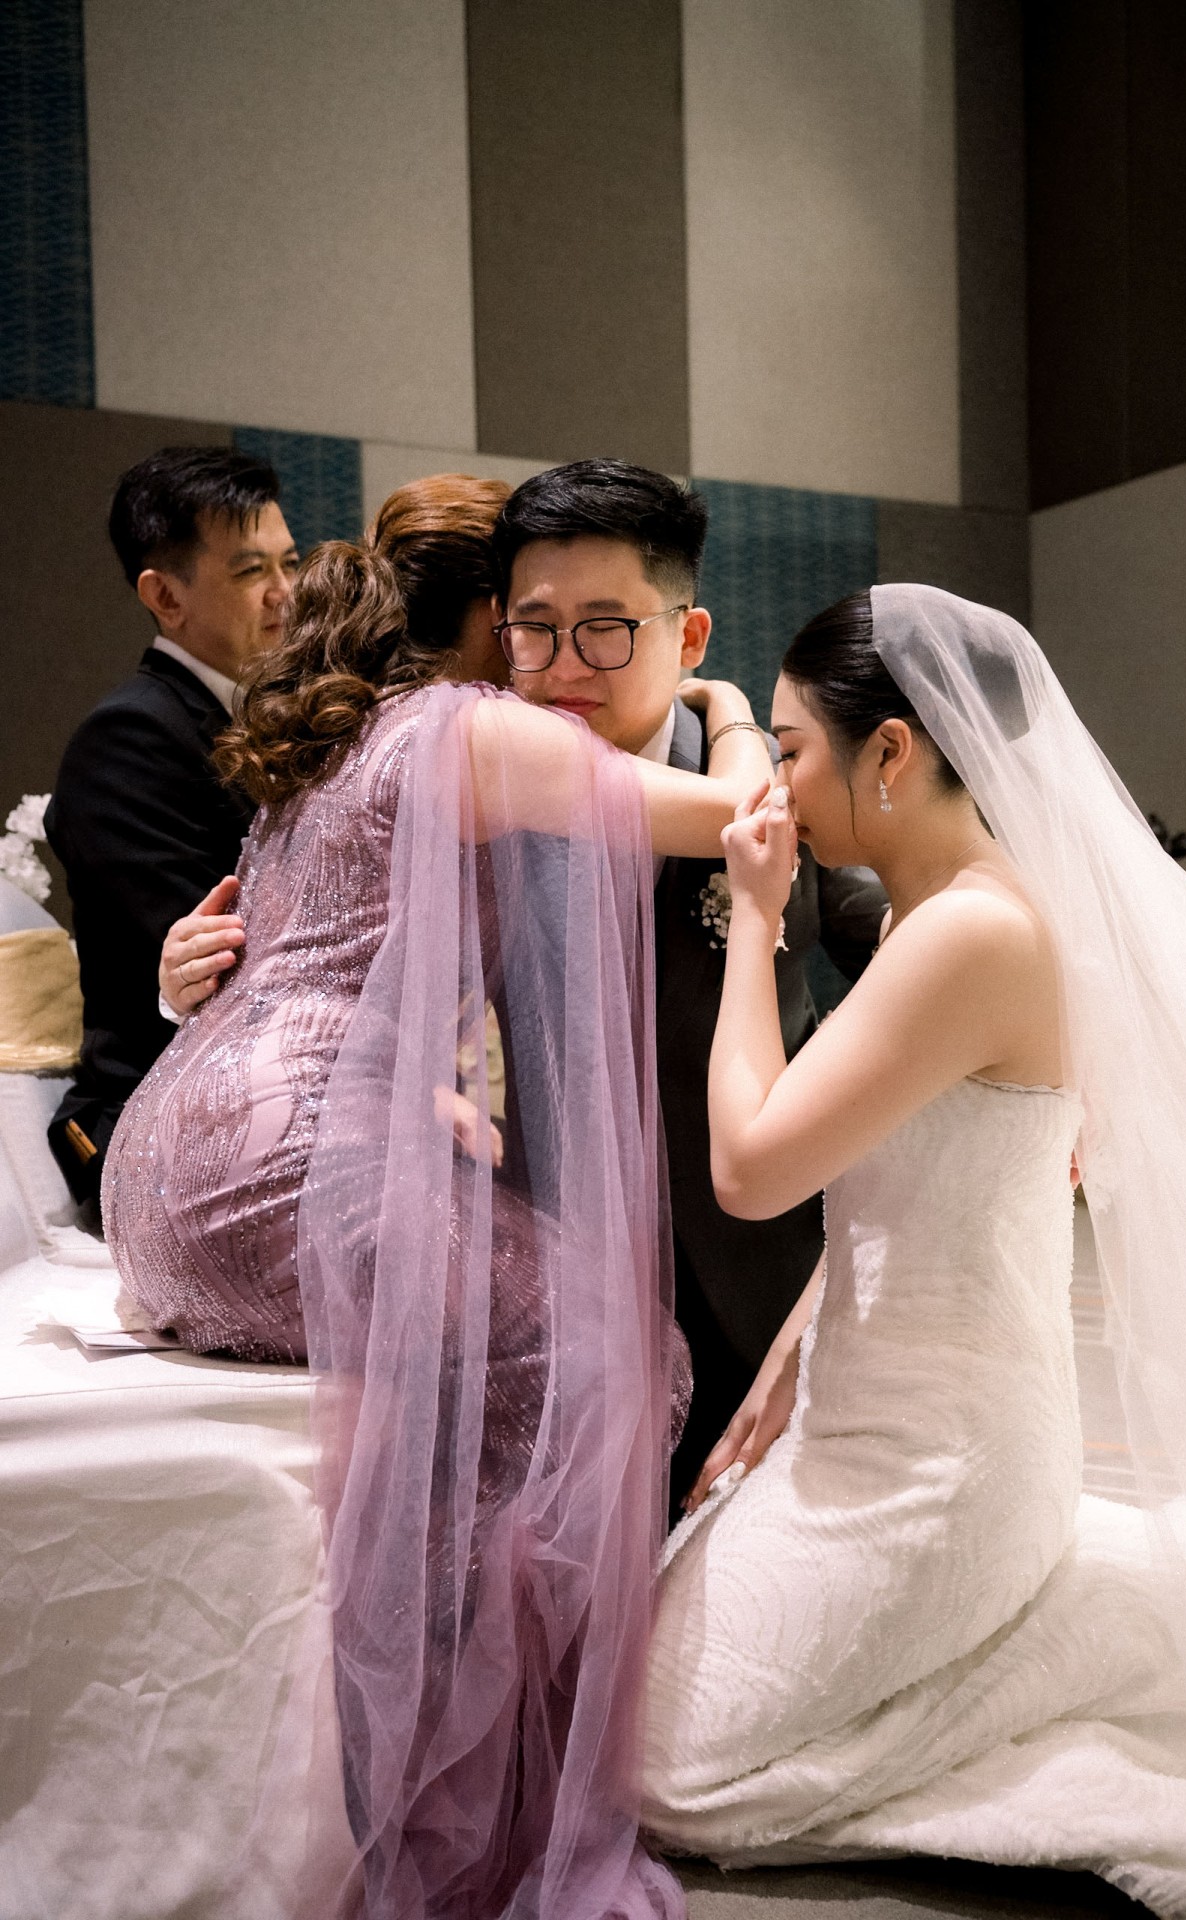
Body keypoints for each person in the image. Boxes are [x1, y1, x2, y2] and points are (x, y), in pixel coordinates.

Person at [103, 482, 771, 1916]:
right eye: (528, 626)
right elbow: (736, 817)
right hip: (284, 1175)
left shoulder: (332, 742)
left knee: (504, 1352)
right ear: (479, 625)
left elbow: (307, 962)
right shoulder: (469, 728)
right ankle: (476, 1771)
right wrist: (725, 707)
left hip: (161, 1173)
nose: (553, 661)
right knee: (614, 1356)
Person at [642, 586, 1186, 1917]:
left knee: (669, 1772)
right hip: (872, 1414)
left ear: (891, 752)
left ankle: (1063, 1698)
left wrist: (753, 915)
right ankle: (1055, 1637)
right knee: (643, 1700)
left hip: (946, 1460)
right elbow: (900, 1177)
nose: (776, 784)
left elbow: (751, 1168)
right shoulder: (933, 914)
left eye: (793, 749)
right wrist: (789, 1365)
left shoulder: (976, 932)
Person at [489, 461, 885, 1509]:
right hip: (548, 1304)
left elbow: (902, 938)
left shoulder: (779, 786)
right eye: (536, 629)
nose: (566, 666)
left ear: (690, 636)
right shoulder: (484, 795)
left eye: (606, 628)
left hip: (759, 1286)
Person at [44, 446, 298, 1207]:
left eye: (290, 563)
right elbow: (236, 968)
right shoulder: (129, 738)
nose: (285, 594)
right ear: (165, 594)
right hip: (147, 1127)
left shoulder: (277, 719)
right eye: (251, 571)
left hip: (270, 1099)